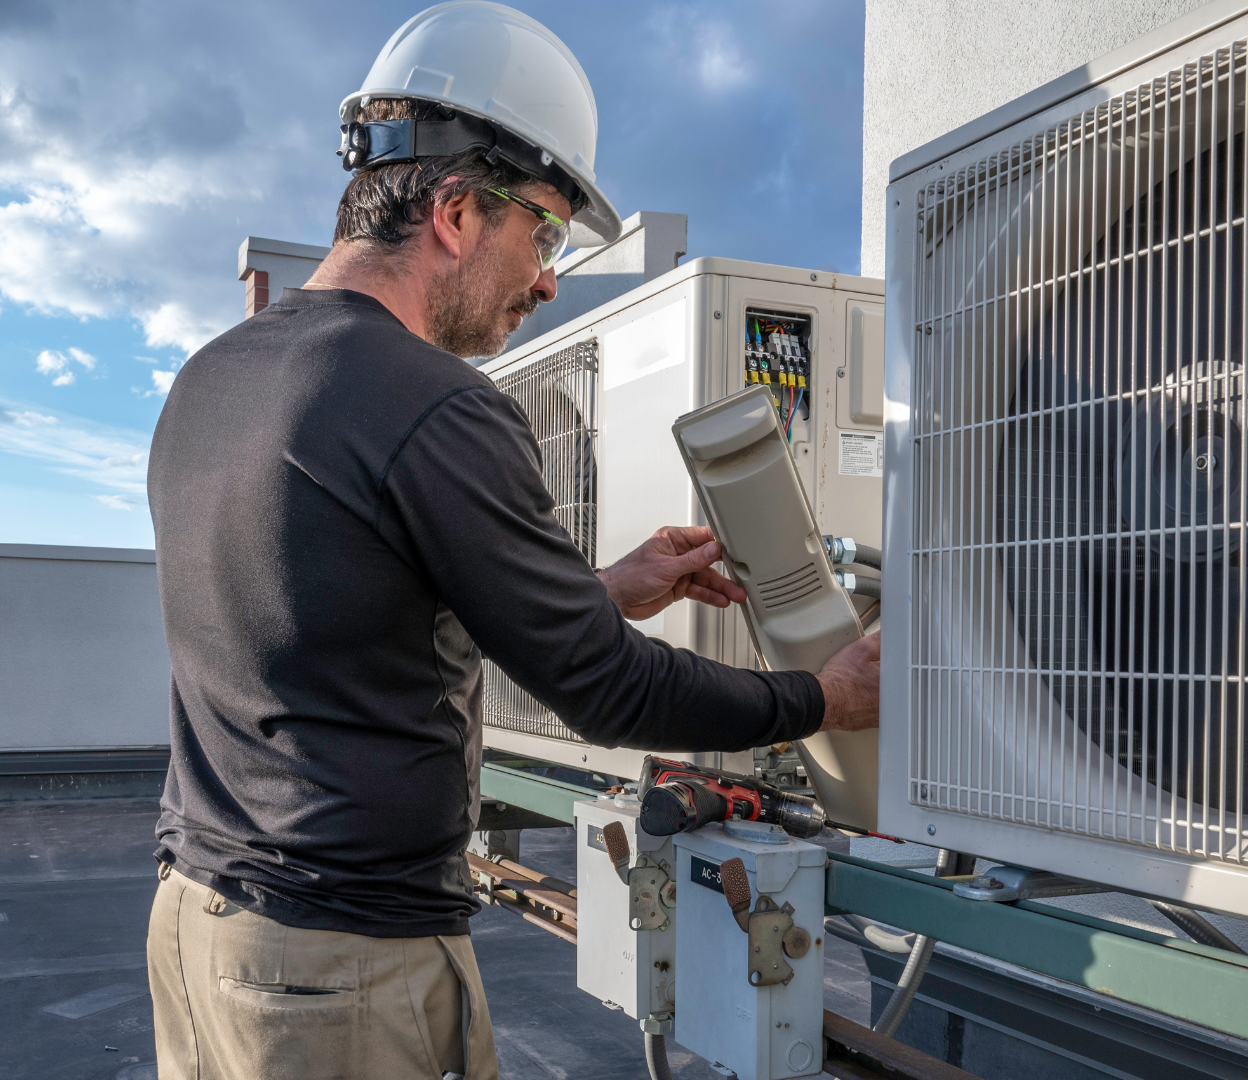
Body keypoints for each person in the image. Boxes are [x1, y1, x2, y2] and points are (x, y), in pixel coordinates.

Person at [143, 4, 880, 1077]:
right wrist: (822, 700)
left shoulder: (212, 379)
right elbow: (608, 695)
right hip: (336, 973)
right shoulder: (433, 404)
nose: (546, 278)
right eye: (542, 231)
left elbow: (345, 615)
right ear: (455, 211)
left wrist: (597, 589)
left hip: (198, 931)